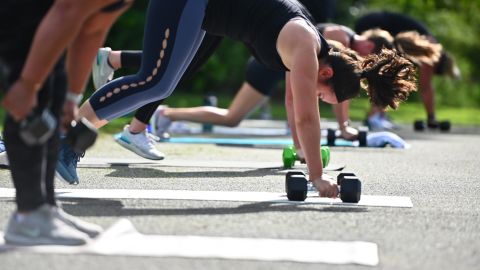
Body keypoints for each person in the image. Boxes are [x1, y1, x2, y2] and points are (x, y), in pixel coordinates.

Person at [59, 0, 417, 198]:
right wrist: (318, 177)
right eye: (327, 96)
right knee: (154, 80)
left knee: (163, 82)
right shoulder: (307, 48)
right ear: (326, 75)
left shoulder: (307, 46)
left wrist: (307, 161)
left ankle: (71, 136)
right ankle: (68, 139)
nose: (321, 100)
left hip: (204, 14)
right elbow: (309, 118)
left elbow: (299, 113)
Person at [91, 23, 375, 162]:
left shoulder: (317, 45)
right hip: (247, 42)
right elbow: (294, 104)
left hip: (243, 30)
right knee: (174, 70)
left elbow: (297, 103)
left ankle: (116, 63)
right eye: (322, 97)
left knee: (178, 67)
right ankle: (132, 126)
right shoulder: (315, 46)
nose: (318, 101)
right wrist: (305, 154)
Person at [0, 0, 130, 246]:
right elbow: (68, 10)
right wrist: (27, 85)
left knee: (54, 101)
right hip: (19, 12)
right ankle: (28, 216)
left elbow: (92, 29)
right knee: (33, 103)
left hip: (50, 18)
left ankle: (45, 208)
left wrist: (71, 98)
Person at [354, 11, 461, 130]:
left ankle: (377, 116)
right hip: (374, 24)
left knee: (387, 72)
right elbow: (425, 87)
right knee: (386, 74)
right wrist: (431, 118)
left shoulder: (429, 43)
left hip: (370, 21)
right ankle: (374, 117)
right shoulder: (432, 51)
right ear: (438, 67)